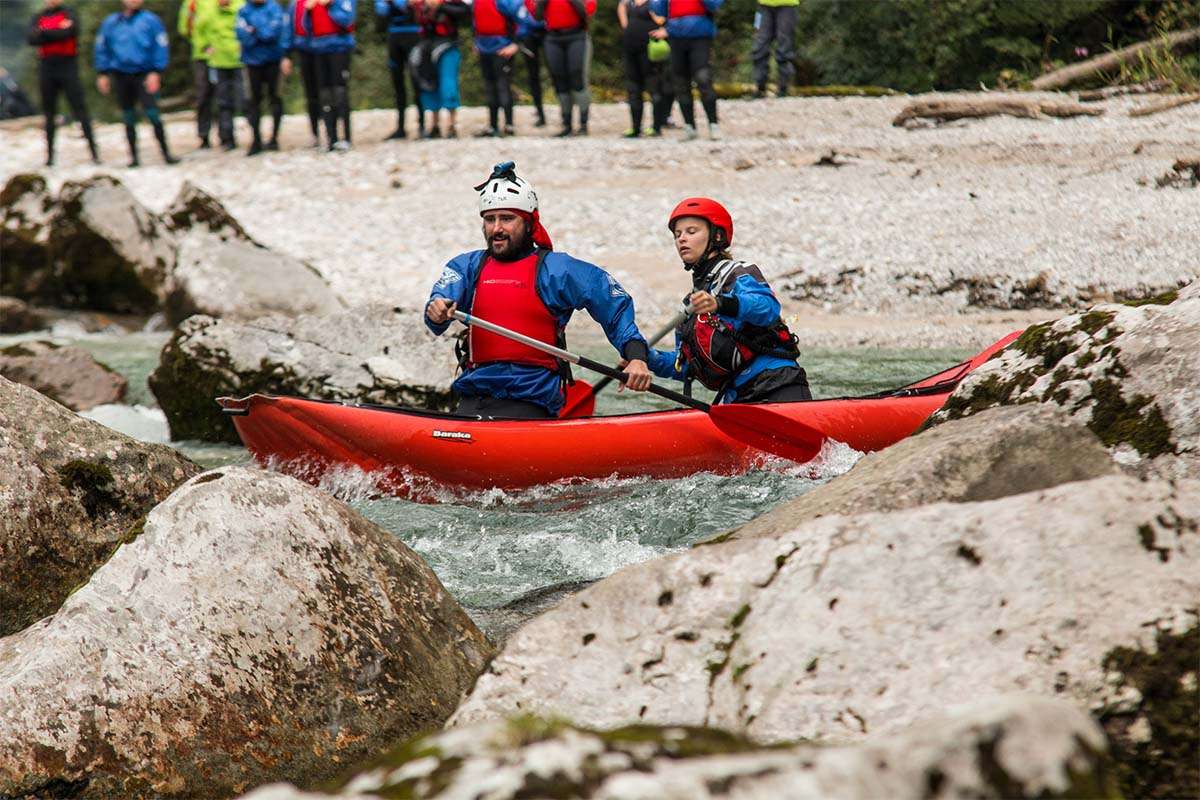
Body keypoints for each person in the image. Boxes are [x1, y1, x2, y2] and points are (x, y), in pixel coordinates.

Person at [425, 162, 652, 418]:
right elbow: (439, 309)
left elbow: (614, 305)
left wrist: (636, 357)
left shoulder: (557, 270)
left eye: (507, 218)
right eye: (490, 219)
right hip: (474, 398)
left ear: (530, 222)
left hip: (530, 402)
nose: (496, 228)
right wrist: (437, 310)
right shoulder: (467, 266)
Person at [644, 197, 811, 404]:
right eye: (678, 234)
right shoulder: (691, 303)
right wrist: (645, 357)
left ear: (717, 236)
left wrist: (720, 303)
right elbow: (685, 366)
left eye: (691, 231)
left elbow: (768, 308)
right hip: (736, 398)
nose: (681, 239)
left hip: (776, 383)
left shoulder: (737, 273)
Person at [94, 0, 179, 167]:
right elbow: (102, 48)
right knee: (128, 115)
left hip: (144, 73)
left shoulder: (151, 20)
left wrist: (156, 71)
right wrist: (102, 73)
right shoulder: (111, 22)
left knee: (153, 113)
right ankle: (133, 157)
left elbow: (160, 46)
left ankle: (166, 153)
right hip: (121, 74)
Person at [26, 0, 99, 166]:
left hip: (68, 66)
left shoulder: (69, 13)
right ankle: (50, 156)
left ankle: (94, 152)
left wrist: (44, 32)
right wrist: (58, 30)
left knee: (79, 108)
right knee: (49, 112)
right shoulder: (38, 16)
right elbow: (31, 39)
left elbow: (71, 33)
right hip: (47, 67)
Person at [649, 0, 721, 140]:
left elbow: (715, 4)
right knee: (680, 81)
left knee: (703, 78)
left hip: (700, 35)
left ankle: (713, 124)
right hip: (676, 35)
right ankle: (689, 126)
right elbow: (660, 10)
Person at [533, 0, 595, 137]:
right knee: (559, 78)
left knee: (577, 77)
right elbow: (537, 16)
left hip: (577, 35)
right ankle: (566, 124)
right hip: (553, 37)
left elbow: (586, 13)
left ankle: (583, 124)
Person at [411, 0, 470, 139]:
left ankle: (452, 125)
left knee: (448, 83)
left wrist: (441, 5)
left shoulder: (452, 3)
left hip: (448, 44)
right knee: (429, 83)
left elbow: (465, 12)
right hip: (427, 45)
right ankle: (434, 124)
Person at [237, 0, 290, 155]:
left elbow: (273, 33)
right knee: (253, 101)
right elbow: (242, 35)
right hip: (251, 61)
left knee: (275, 98)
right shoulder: (243, 10)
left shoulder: (274, 8)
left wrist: (254, 29)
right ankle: (256, 140)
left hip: (273, 60)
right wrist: (259, 32)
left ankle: (274, 138)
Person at [472, 0, 529, 137]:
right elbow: (476, 21)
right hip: (484, 47)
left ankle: (509, 125)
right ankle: (493, 125)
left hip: (502, 47)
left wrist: (516, 44)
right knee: (489, 86)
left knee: (502, 85)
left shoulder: (506, 2)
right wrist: (476, 42)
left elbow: (523, 21)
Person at [196, 0, 245, 152]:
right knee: (223, 101)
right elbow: (198, 30)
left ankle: (255, 136)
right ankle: (226, 137)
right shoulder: (207, 7)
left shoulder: (241, 6)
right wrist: (205, 46)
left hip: (239, 60)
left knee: (245, 100)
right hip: (218, 61)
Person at [617, 0, 670, 138]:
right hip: (630, 48)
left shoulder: (656, 3)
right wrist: (626, 24)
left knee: (654, 87)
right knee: (633, 88)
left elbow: (661, 20)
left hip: (649, 49)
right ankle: (635, 127)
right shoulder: (630, 2)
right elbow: (622, 9)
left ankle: (656, 126)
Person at [375, 0, 423, 139]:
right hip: (394, 35)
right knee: (397, 83)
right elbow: (381, 11)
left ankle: (422, 126)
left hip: (413, 35)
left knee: (417, 80)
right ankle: (401, 127)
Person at [178, 0, 216, 148]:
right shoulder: (192, 3)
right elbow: (185, 29)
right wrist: (203, 44)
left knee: (225, 95)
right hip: (202, 55)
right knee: (204, 95)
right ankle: (204, 135)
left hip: (227, 54)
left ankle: (227, 135)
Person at [284, 0, 322, 147]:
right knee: (311, 93)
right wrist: (287, 54)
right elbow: (289, 28)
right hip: (304, 50)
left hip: (326, 49)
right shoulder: (295, 4)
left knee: (328, 93)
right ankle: (315, 133)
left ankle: (333, 133)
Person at [750, 0, 797, 98]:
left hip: (787, 5)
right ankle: (759, 86)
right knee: (759, 46)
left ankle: (784, 88)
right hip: (763, 6)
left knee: (784, 47)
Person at [515, 0, 546, 128]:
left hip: (549, 32)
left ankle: (567, 116)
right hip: (527, 35)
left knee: (558, 73)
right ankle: (540, 113)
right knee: (533, 76)